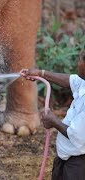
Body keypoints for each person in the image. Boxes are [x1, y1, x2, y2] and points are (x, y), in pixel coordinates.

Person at [21, 50, 85, 180]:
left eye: (80, 60)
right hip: (66, 159)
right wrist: (41, 73)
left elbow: (78, 136)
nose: (78, 63)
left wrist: (54, 121)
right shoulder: (83, 83)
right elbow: (71, 80)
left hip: (78, 166)